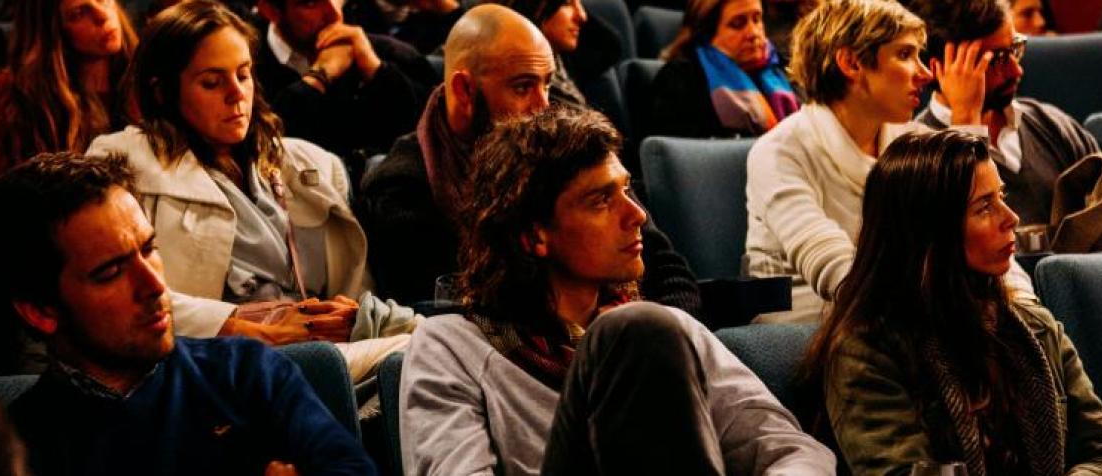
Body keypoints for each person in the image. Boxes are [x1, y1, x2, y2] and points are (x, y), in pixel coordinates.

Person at [399, 106, 836, 475]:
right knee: (635, 330)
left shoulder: (668, 331)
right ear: (535, 235)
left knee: (642, 329)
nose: (637, 215)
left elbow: (793, 450)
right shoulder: (451, 346)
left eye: (627, 190)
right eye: (601, 200)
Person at [0, 152, 378, 476]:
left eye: (149, 250)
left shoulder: (248, 371)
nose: (154, 286)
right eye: (110, 272)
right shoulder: (12, 448)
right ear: (40, 311)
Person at [88, 0, 419, 382]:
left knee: (431, 346)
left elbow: (356, 289)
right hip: (215, 365)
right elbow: (119, 299)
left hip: (330, 354)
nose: (235, 94)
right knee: (430, 350)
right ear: (162, 91)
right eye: (212, 82)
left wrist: (350, 318)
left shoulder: (309, 163)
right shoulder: (123, 162)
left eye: (243, 75)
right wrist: (235, 323)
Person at [803, 130, 1102, 475]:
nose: (1011, 218)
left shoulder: (1035, 327)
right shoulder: (867, 352)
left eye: (1001, 196)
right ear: (931, 231)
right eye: (985, 207)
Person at [357, 4, 702, 318]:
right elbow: (452, 314)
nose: (543, 108)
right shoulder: (403, 186)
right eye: (522, 88)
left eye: (547, 85)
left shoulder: (573, 153)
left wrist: (660, 329)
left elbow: (669, 271)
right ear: (464, 91)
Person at [743, 0, 1033, 323]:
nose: (925, 74)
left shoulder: (915, 140)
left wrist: (1024, 309)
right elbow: (832, 267)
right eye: (906, 55)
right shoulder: (779, 151)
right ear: (851, 63)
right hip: (808, 337)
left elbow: (985, 244)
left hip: (906, 324)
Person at [908, 0, 1102, 250]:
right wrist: (966, 124)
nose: (1016, 71)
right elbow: (954, 262)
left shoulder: (1050, 124)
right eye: (996, 60)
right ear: (941, 69)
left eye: (1015, 49)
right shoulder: (918, 154)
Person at [254, 0, 436, 167]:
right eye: (311, 3)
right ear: (271, 10)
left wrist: (376, 71)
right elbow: (271, 145)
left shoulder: (388, 51)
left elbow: (432, 130)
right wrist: (318, 78)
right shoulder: (246, 70)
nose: (335, 14)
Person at [0, 0, 137, 176]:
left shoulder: (148, 72)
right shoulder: (17, 91)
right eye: (79, 13)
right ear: (52, 31)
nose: (102, 15)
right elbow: (16, 188)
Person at [650, 0, 800, 138]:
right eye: (737, 24)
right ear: (707, 34)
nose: (754, 33)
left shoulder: (783, 69)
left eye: (757, 19)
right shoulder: (681, 79)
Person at [483, 0, 621, 108]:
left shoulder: (561, 54)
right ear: (536, 8)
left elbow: (611, 46)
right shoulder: (519, 71)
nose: (582, 16)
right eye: (566, 3)